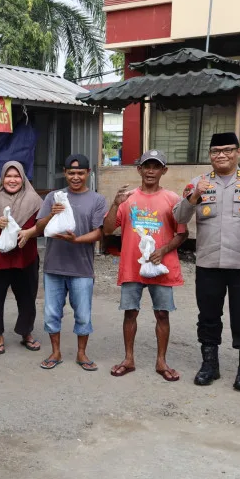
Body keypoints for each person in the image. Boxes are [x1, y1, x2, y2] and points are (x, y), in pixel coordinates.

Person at [174, 132, 240, 392]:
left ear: (238, 152)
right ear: (210, 155)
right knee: (208, 316)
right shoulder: (198, 183)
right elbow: (178, 216)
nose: (221, 155)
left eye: (228, 150)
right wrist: (193, 197)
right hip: (208, 263)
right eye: (216, 151)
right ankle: (210, 364)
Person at [102, 149, 188, 381]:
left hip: (161, 266)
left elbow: (182, 233)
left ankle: (161, 361)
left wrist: (163, 250)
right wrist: (115, 204)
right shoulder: (128, 198)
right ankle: (128, 359)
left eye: (156, 166)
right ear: (139, 169)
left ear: (164, 171)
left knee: (162, 314)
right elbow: (108, 230)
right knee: (130, 313)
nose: (151, 171)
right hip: (132, 266)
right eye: (146, 166)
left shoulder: (172, 199)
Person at [35, 154, 108, 370]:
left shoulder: (97, 200)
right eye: (71, 173)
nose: (76, 177)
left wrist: (76, 240)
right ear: (65, 173)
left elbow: (98, 233)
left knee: (83, 314)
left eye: (80, 173)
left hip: (82, 268)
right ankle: (55, 352)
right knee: (51, 313)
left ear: (88, 173)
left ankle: (81, 354)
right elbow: (39, 228)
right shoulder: (54, 197)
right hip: (54, 267)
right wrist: (51, 214)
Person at [0, 160, 43, 355]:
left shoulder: (34, 199)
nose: (12, 180)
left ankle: (26, 332)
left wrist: (29, 232)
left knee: (27, 297)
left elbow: (43, 225)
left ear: (23, 179)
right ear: (2, 178)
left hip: (25, 257)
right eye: (8, 176)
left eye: (16, 176)